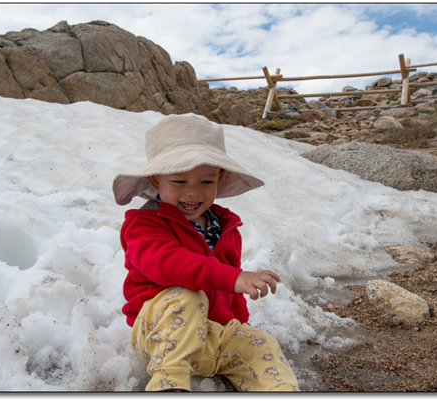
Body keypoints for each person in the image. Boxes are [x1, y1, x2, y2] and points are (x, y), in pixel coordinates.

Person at [113, 113, 299, 392]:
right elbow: (168, 264)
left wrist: (238, 325)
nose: (193, 193)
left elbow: (231, 293)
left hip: (211, 337)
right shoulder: (145, 225)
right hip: (161, 335)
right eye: (179, 182)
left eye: (205, 182)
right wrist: (233, 277)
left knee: (261, 344)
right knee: (188, 295)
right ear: (155, 181)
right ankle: (169, 384)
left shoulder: (225, 227)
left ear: (219, 179)